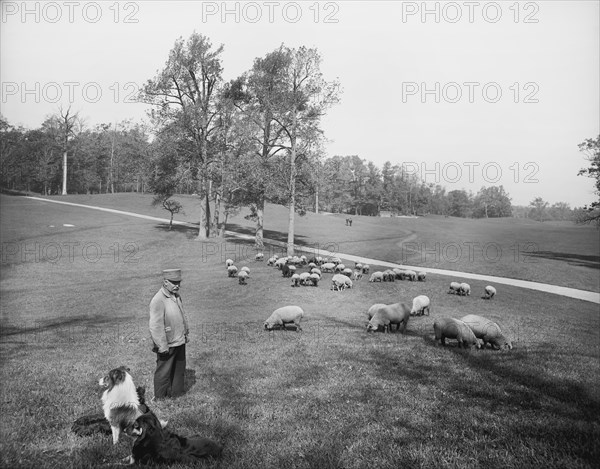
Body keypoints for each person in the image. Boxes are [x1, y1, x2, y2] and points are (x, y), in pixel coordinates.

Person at [149, 269, 189, 399]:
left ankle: (177, 395)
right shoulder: (158, 300)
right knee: (163, 371)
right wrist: (161, 345)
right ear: (165, 282)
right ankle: (160, 398)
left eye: (178, 282)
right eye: (173, 282)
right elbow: (155, 325)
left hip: (179, 339)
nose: (177, 285)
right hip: (167, 342)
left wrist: (186, 332)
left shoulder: (176, 296)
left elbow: (182, 316)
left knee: (179, 368)